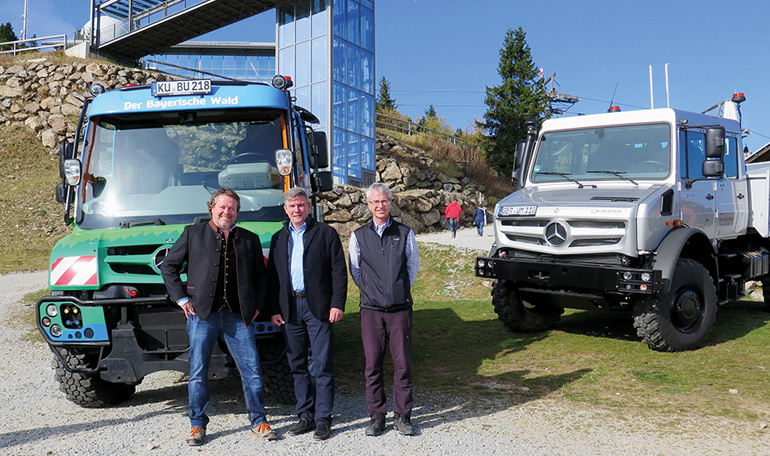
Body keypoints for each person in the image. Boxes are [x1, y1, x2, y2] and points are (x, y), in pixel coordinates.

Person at [161, 187, 277, 446]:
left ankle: (259, 421)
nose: (227, 211)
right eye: (222, 207)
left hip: (239, 317)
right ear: (211, 208)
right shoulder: (193, 234)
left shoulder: (249, 239)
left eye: (232, 208)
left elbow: (261, 276)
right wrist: (181, 299)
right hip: (202, 315)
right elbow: (168, 267)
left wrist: (257, 305)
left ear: (237, 212)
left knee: (252, 371)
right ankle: (197, 425)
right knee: (198, 372)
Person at [268, 187, 348, 441]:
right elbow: (273, 279)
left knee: (323, 365)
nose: (297, 210)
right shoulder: (278, 238)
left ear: (308, 206)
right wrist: (273, 310)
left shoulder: (325, 234)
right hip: (290, 309)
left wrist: (338, 304)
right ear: (285, 209)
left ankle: (323, 419)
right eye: (292, 206)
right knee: (297, 365)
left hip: (319, 308)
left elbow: (338, 272)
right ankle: (305, 416)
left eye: (301, 205)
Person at [349, 182, 420, 437]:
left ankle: (403, 416)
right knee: (373, 365)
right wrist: (372, 292)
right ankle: (377, 416)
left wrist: (398, 290)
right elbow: (355, 270)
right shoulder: (358, 236)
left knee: (402, 364)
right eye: (375, 202)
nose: (380, 205)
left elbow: (412, 267)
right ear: (368, 205)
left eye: (384, 201)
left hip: (400, 311)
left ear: (391, 202)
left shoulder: (405, 233)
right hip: (371, 310)